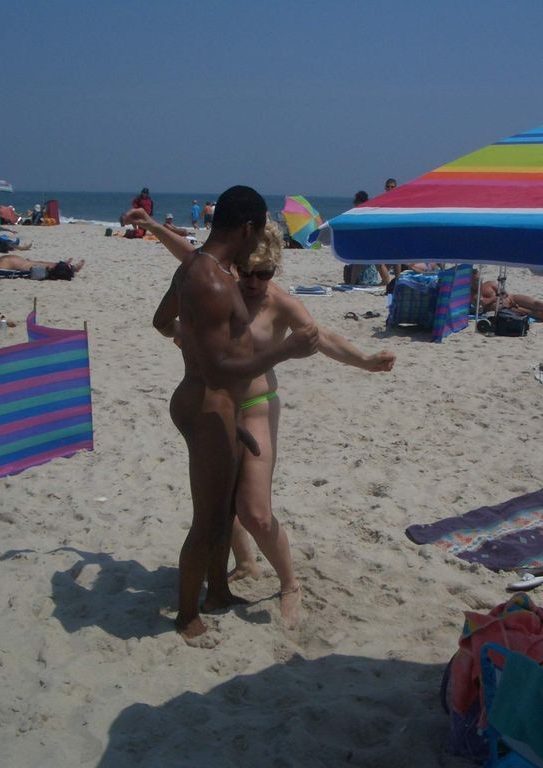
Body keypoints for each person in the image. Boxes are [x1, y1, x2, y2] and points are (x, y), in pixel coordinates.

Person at [131, 207, 395, 628]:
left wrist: (364, 360)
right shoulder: (222, 285)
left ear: (275, 269)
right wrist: (151, 227)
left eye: (264, 273)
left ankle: (290, 583)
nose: (253, 282)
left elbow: (322, 337)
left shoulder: (280, 303)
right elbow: (191, 255)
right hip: (218, 406)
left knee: (253, 510)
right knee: (222, 500)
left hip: (256, 407)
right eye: (247, 272)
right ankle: (245, 563)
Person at [149, 185, 319, 641]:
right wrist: (284, 351)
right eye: (258, 233)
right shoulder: (211, 281)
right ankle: (187, 616)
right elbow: (217, 369)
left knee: (226, 511)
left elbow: (162, 321)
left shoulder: (198, 268)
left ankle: (218, 591)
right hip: (209, 404)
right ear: (247, 229)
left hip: (219, 403)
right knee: (208, 519)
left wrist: (189, 337)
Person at [471, 268, 543, 324]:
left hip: (512, 299)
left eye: (479, 279)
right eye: (475, 281)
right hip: (505, 309)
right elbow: (482, 304)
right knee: (534, 313)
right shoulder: (472, 294)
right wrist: (496, 298)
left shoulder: (489, 284)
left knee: (538, 304)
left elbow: (504, 293)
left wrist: (503, 298)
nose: (478, 282)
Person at [0, 252, 84, 278]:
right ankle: (72, 268)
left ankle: (66, 264)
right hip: (24, 267)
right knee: (46, 266)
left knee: (42, 262)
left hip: (25, 262)